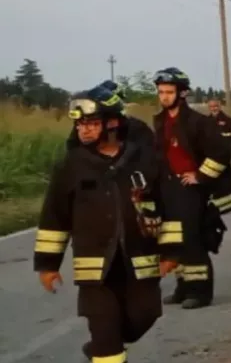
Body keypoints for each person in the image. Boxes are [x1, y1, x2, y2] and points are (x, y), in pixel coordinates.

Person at [33, 86, 182, 363]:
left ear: (112, 123)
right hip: (96, 273)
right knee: (105, 333)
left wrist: (171, 253)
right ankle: (105, 348)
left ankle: (104, 344)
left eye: (90, 123)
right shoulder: (71, 166)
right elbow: (54, 217)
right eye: (79, 125)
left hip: (141, 265)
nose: (83, 130)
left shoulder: (147, 161)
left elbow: (171, 208)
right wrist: (47, 265)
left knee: (143, 318)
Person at [152, 67, 230, 309]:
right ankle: (183, 287)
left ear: (182, 93)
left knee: (193, 240)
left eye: (169, 92)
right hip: (167, 188)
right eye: (161, 92)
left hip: (190, 190)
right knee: (173, 240)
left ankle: (200, 292)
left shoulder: (199, 122)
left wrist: (200, 176)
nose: (164, 96)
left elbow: (221, 152)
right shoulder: (159, 121)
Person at [66, 80, 154, 150]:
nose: (84, 130)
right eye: (80, 124)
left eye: (94, 124)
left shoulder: (137, 129)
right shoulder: (76, 145)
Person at [205, 99, 231, 214]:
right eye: (211, 107)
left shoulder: (228, 120)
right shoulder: (205, 122)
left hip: (224, 156)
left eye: (216, 106)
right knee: (212, 181)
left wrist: (225, 137)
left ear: (220, 106)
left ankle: (229, 203)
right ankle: (216, 203)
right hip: (210, 157)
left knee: (226, 180)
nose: (213, 108)